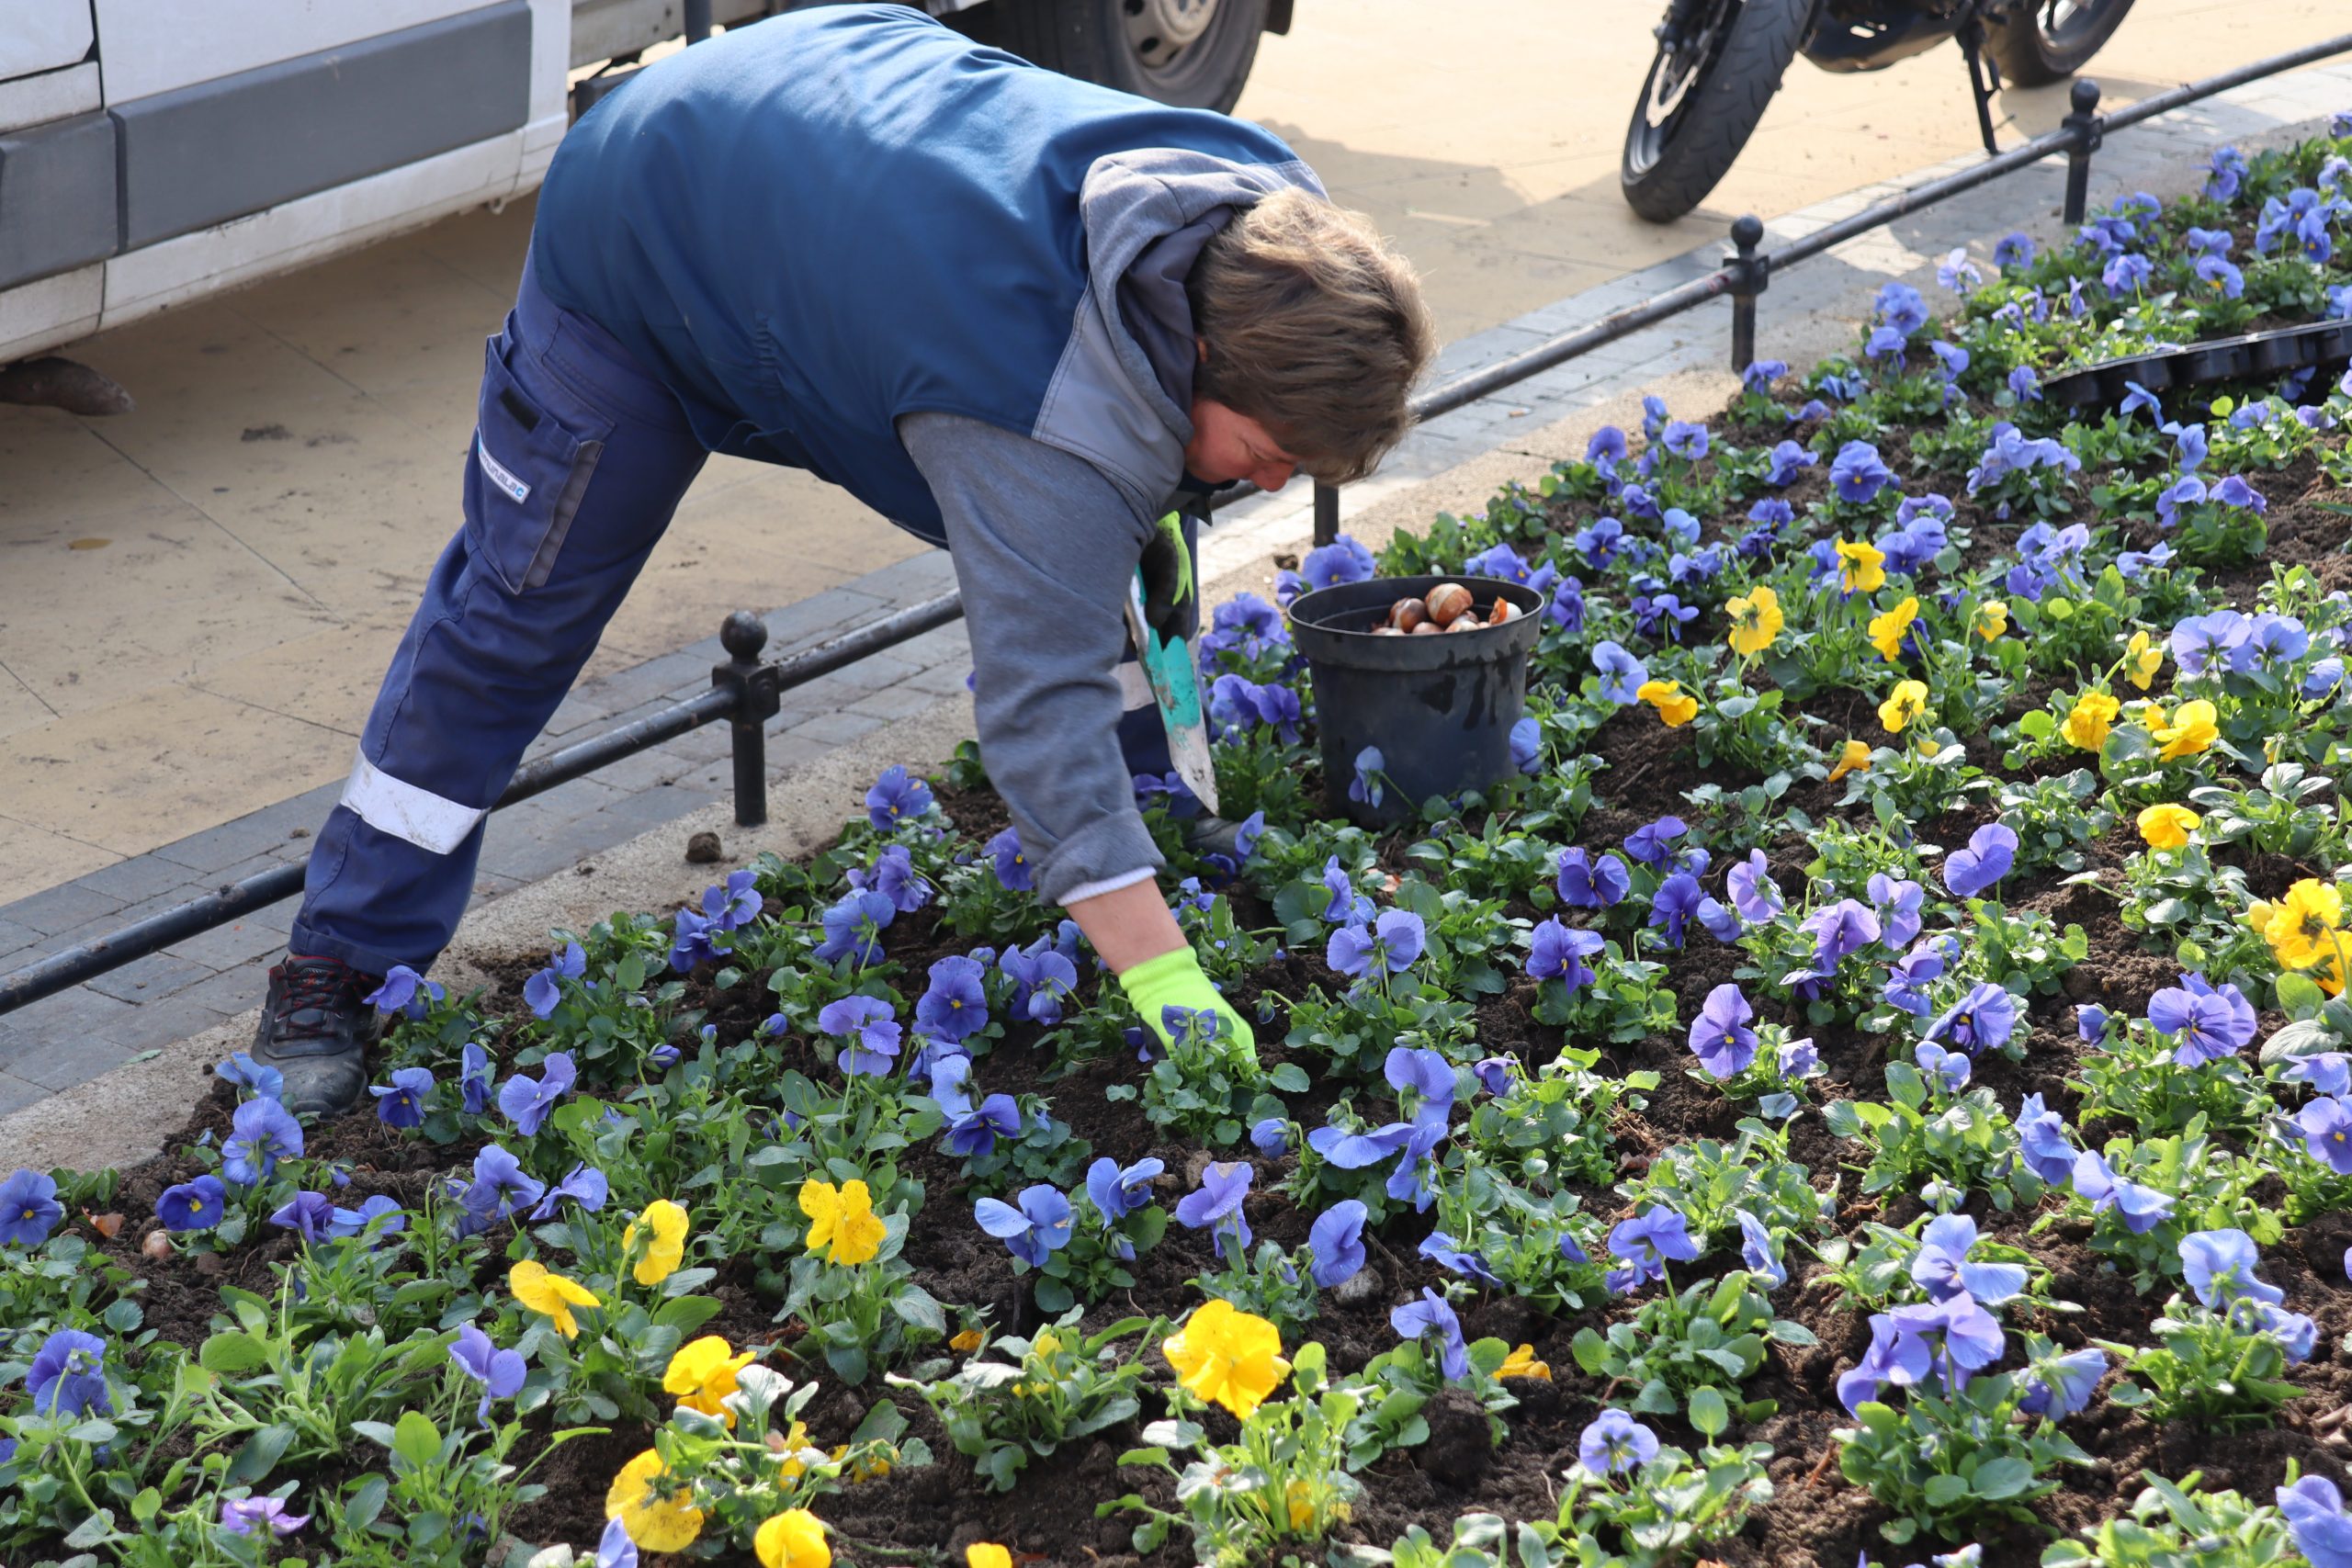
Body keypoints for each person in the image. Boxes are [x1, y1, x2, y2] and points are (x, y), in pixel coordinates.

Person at [247, 2, 1435, 1116]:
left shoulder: (1271, 222)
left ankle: (1156, 800)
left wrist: (1147, 815)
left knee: (1136, 517)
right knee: (514, 619)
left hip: (828, 144)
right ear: (1208, 350)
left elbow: (1128, 533)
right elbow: (1036, 707)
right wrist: (1166, 980)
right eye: (1271, 455)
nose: (1271, 485)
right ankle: (335, 963)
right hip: (650, 222)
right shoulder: (1036, 416)